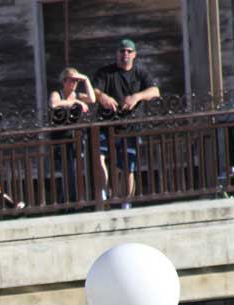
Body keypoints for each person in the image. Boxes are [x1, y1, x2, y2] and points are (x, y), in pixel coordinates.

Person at [92, 38, 160, 207]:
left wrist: (137, 97)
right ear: (117, 54)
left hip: (131, 124)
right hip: (107, 123)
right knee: (100, 157)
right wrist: (103, 97)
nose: (125, 54)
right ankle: (103, 196)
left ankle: (126, 203)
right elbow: (94, 90)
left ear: (134, 54)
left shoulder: (140, 73)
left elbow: (155, 91)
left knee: (128, 166)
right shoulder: (106, 72)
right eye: (122, 51)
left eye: (129, 51)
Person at [48, 67, 96, 204]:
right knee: (68, 171)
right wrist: (75, 103)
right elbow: (54, 104)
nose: (74, 84)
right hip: (61, 139)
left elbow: (92, 99)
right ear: (64, 81)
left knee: (75, 170)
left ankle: (74, 200)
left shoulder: (78, 95)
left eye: (77, 81)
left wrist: (86, 79)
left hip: (76, 138)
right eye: (72, 81)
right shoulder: (58, 94)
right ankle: (69, 200)